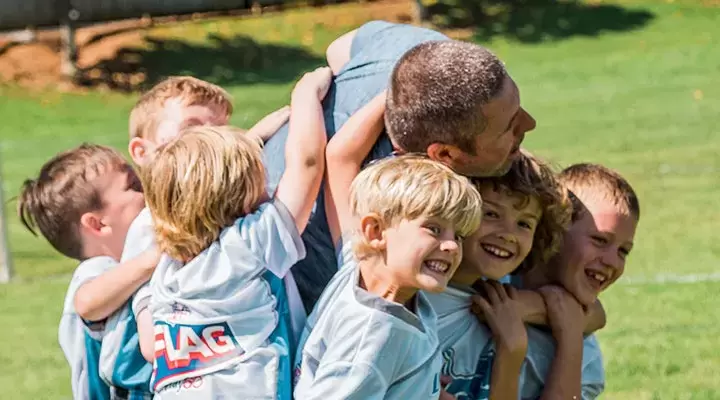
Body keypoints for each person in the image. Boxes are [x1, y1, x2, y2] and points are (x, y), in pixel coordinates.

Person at [262, 21, 537, 311]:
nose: (530, 124)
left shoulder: (426, 57)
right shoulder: (391, 213)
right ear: (444, 154)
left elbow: (337, 48)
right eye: (510, 127)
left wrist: (404, 94)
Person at [143, 67, 331, 399]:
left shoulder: (168, 274)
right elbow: (307, 164)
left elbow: (208, 173)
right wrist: (305, 95)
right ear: (243, 197)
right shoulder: (246, 248)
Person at [293, 93, 483, 398]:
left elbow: (341, 159)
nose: (450, 246)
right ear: (376, 231)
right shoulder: (372, 334)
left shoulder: (358, 267)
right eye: (434, 229)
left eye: (458, 235)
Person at [16, 144, 154, 400]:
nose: (147, 187)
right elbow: (87, 302)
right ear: (98, 224)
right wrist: (157, 256)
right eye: (133, 185)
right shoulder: (97, 270)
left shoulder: (132, 264)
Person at [504, 163, 640, 399]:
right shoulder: (493, 272)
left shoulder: (586, 360)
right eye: (599, 240)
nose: (612, 261)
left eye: (623, 251)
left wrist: (569, 338)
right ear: (554, 227)